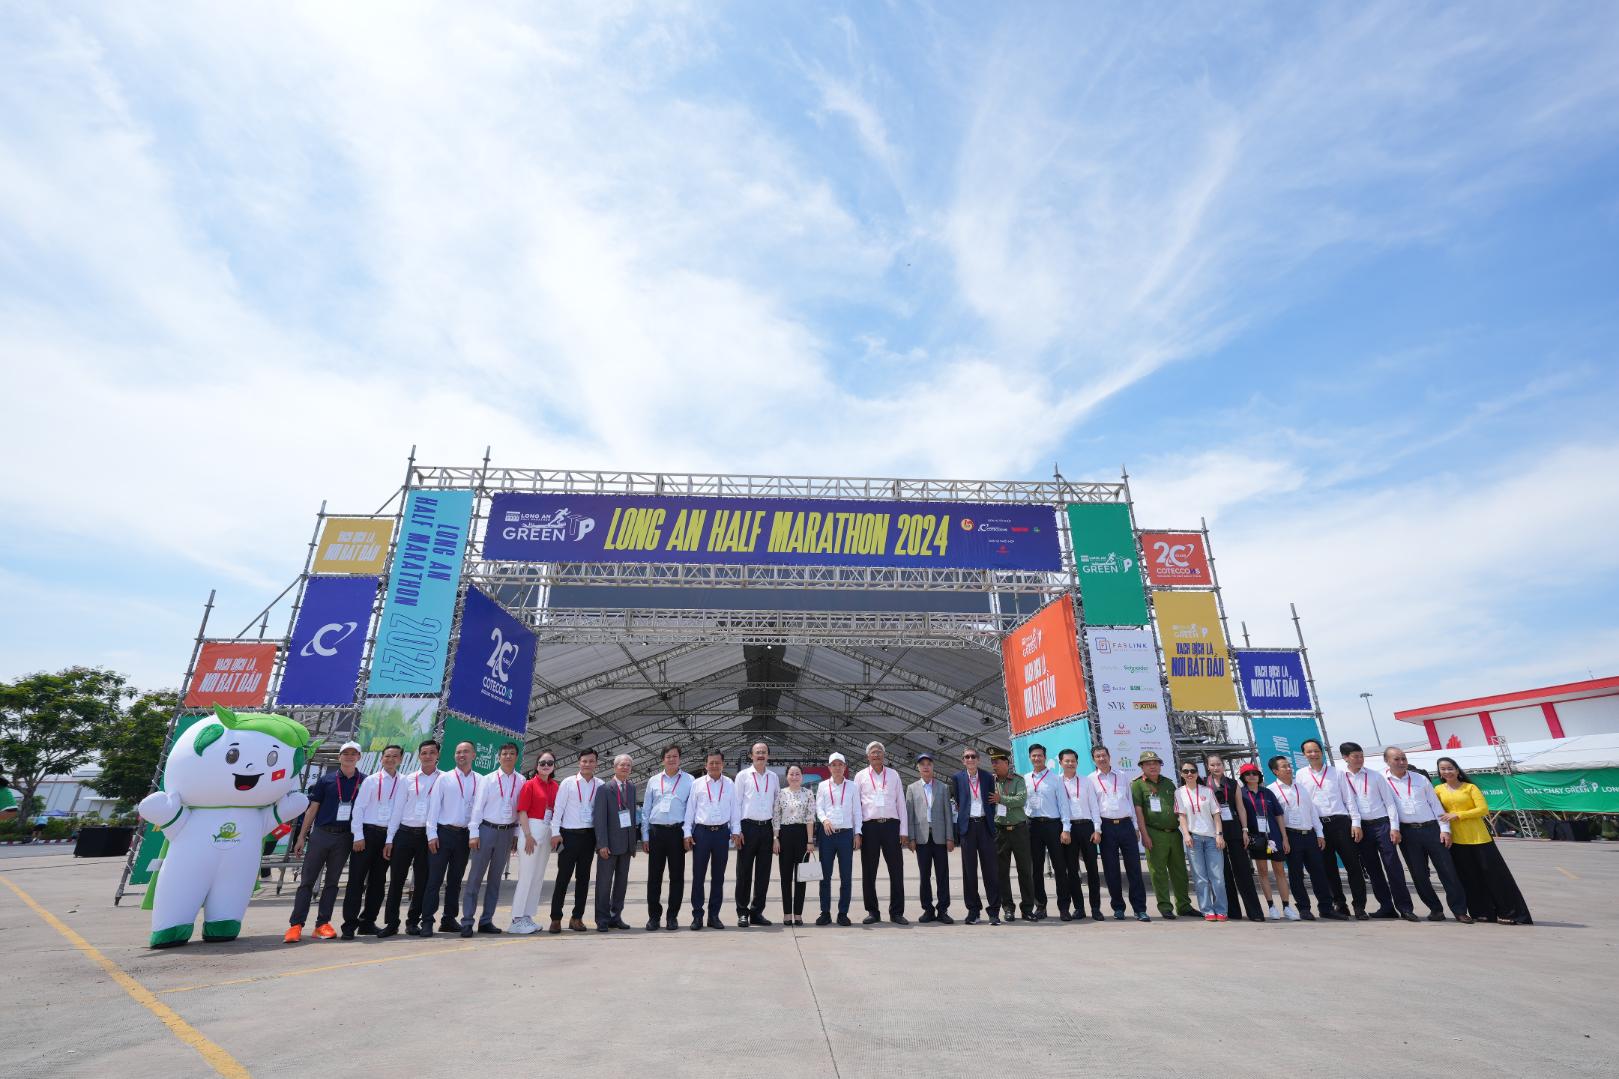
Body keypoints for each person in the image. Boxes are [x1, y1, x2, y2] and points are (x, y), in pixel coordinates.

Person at [285, 740, 366, 943]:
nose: (349, 756)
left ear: (359, 757)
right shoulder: (326, 780)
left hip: (345, 836)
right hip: (321, 834)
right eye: (345, 753)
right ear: (339, 757)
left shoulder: (365, 781)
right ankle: (296, 925)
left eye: (353, 753)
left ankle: (322, 924)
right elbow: (312, 809)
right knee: (307, 881)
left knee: (332, 882)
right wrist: (302, 836)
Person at [1435, 757, 1532, 925]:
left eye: (1450, 768)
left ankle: (1509, 913)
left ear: (1457, 770)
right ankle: (1482, 912)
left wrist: (1458, 815)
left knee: (1496, 878)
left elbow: (1483, 809)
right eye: (1443, 769)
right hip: (1457, 841)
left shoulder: (1470, 787)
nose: (1447, 772)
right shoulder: (1437, 790)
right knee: (1470, 879)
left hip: (1479, 838)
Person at [1383, 747, 1470, 923]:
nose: (1401, 762)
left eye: (1403, 758)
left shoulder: (1420, 778)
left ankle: (1459, 910)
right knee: (1419, 874)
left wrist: (1445, 829)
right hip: (1407, 832)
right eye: (1396, 759)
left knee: (1448, 871)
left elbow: (1435, 805)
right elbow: (1389, 807)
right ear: (1387, 761)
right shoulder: (1382, 780)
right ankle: (1435, 909)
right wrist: (1395, 828)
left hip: (1431, 829)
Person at [1339, 741, 1418, 922]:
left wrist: (1394, 827)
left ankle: (1405, 907)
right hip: (1360, 828)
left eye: (1361, 756)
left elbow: (1389, 802)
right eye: (1355, 756)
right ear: (1345, 758)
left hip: (1382, 825)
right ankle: (1386, 906)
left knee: (1393, 867)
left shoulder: (1376, 776)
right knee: (1373, 869)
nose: (1359, 759)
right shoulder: (1341, 778)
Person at [1268, 756, 1343, 921]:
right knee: (1296, 874)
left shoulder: (1301, 787)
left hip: (1309, 835)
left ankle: (1326, 908)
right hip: (1291, 836)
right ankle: (1304, 908)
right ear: (1275, 771)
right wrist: (1284, 839)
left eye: (1289, 765)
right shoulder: (1271, 790)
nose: (1288, 769)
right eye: (1283, 767)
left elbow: (1312, 811)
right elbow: (1274, 818)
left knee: (1319, 873)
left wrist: (1319, 833)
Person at [459, 742, 522, 937]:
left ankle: (486, 920)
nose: (508, 757)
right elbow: (477, 808)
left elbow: (520, 810)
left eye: (512, 753)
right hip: (486, 830)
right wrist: (474, 834)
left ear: (516, 757)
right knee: (475, 878)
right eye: (504, 754)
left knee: (495, 880)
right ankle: (467, 921)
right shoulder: (488, 780)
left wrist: (516, 835)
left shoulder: (521, 780)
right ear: (499, 757)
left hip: (507, 832)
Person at [341, 743, 403, 939]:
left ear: (400, 759)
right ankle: (349, 924)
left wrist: (390, 840)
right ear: (381, 759)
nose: (390, 759)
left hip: (387, 837)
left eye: (394, 756)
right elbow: (358, 808)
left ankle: (367, 921)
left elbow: (398, 813)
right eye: (387, 756)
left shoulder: (403, 782)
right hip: (366, 835)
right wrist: (358, 835)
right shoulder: (371, 781)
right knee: (356, 881)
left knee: (378, 881)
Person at [381, 739, 440, 938]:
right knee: (397, 880)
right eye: (424, 753)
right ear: (419, 756)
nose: (428, 756)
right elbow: (397, 810)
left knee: (422, 881)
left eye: (432, 752)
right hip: (405, 834)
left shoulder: (444, 779)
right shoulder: (408, 779)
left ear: (438, 755)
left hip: (427, 836)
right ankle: (391, 923)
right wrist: (390, 838)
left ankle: (413, 921)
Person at [1299, 738, 1362, 918]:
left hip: (1341, 823)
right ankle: (1340, 904)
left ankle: (1359, 905)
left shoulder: (1337, 773)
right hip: (1319, 826)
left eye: (1316, 750)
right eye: (1309, 751)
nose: (1313, 754)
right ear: (1304, 754)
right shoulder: (1301, 775)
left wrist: (1355, 823)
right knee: (1328, 868)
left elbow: (1349, 799)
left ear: (1322, 751)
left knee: (1353, 866)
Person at [420, 741, 478, 936]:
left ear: (474, 755)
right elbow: (433, 808)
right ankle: (427, 921)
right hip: (443, 834)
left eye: (466, 752)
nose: (461, 755)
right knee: (434, 880)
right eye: (458, 751)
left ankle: (448, 919)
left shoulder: (480, 780)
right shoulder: (444, 779)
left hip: (464, 837)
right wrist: (431, 835)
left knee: (455, 880)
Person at [684, 749, 742, 930]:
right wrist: (687, 832)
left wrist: (736, 830)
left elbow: (735, 809)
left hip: (722, 834)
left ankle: (714, 916)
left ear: (723, 765)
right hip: (701, 833)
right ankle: (697, 916)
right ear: (705, 765)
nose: (714, 765)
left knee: (718, 877)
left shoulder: (730, 784)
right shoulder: (697, 784)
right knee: (698, 876)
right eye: (711, 763)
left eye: (718, 762)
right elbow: (690, 810)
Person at [1091, 745, 1148, 921]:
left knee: (1134, 869)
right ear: (1094, 760)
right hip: (1106, 827)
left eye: (1104, 755)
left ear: (1110, 756)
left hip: (1125, 826)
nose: (1102, 759)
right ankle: (1118, 907)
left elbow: (1130, 803)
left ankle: (1140, 909)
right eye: (1098, 756)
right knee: (1111, 870)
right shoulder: (1091, 780)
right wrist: (1097, 829)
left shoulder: (1122, 776)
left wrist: (1135, 827)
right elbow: (1093, 807)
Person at [1134, 751, 1193, 919]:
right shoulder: (1137, 785)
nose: (1152, 766)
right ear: (1142, 767)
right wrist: (1145, 835)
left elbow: (1179, 808)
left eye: (1155, 763)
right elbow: (1138, 812)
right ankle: (1165, 906)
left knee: (1180, 871)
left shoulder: (1168, 783)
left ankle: (1184, 905)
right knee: (1158, 872)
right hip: (1154, 832)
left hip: (1174, 833)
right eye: (1148, 763)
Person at [855, 741, 909, 925]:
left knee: (896, 870)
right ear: (867, 756)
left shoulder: (893, 775)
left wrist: (904, 830)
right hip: (869, 827)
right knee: (869, 871)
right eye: (873, 752)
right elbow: (856, 806)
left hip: (891, 826)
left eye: (879, 752)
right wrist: (857, 832)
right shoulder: (860, 776)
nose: (876, 754)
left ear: (884, 755)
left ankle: (897, 912)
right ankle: (872, 911)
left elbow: (901, 802)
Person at [547, 748, 601, 934]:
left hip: (589, 837)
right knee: (563, 878)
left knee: (583, 879)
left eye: (591, 761)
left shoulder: (600, 785)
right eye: (584, 761)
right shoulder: (568, 783)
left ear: (596, 764)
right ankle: (555, 918)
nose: (587, 764)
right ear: (579, 762)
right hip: (568, 836)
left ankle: (577, 918)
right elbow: (558, 808)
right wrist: (555, 832)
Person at [1206, 753, 1264, 923]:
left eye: (1218, 764)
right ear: (1208, 767)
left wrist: (1245, 830)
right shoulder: (1204, 783)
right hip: (1214, 831)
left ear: (1223, 766)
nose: (1216, 767)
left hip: (1234, 829)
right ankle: (1232, 911)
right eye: (1212, 765)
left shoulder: (1232, 784)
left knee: (1243, 870)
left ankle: (1255, 912)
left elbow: (1240, 807)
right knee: (1223, 873)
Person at [640, 744, 690, 931]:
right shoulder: (653, 780)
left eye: (675, 756)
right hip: (656, 832)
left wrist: (687, 834)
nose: (672, 759)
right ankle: (654, 917)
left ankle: (672, 917)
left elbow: (691, 810)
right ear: (663, 759)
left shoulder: (689, 780)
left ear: (680, 758)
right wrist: (645, 836)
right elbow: (645, 810)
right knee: (654, 877)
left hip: (677, 833)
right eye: (668, 756)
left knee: (677, 877)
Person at [508, 750, 558, 935]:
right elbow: (522, 811)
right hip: (531, 829)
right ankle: (517, 918)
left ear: (554, 766)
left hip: (547, 829)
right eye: (542, 763)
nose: (546, 766)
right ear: (537, 765)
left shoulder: (555, 786)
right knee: (527, 875)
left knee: (538, 876)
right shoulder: (529, 785)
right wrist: (527, 835)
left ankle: (528, 915)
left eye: (550, 763)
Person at [950, 748, 1001, 924]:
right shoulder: (957, 778)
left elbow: (991, 801)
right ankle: (973, 910)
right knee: (969, 871)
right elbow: (958, 801)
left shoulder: (987, 777)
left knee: (991, 871)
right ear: (963, 761)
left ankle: (994, 912)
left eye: (973, 756)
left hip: (985, 826)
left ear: (978, 760)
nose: (970, 759)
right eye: (967, 757)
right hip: (968, 827)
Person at [1022, 743, 1072, 921]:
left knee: (1060, 867)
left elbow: (1063, 804)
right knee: (1036, 869)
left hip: (1053, 826)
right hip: (1033, 826)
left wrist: (1066, 828)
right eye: (1034, 756)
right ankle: (1040, 906)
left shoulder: (1056, 779)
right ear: (1030, 758)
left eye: (1040, 755)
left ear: (1045, 757)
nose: (1037, 758)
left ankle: (1064, 907)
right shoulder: (1025, 779)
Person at [905, 752, 956, 924]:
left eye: (928, 763)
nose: (926, 766)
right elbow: (910, 815)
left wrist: (950, 837)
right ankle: (927, 909)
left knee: (942, 875)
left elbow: (948, 814)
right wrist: (911, 838)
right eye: (922, 764)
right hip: (921, 839)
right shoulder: (911, 788)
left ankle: (943, 909)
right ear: (918, 768)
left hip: (940, 837)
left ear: (933, 767)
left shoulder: (943, 788)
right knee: (924, 875)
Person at [1237, 763, 1292, 919]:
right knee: (1262, 872)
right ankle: (1271, 906)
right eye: (1248, 774)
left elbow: (1278, 815)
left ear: (1259, 775)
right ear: (1243, 777)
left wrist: (1285, 837)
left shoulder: (1267, 793)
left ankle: (1287, 907)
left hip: (1274, 837)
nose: (1252, 776)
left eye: (1255, 773)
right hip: (1257, 838)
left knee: (1280, 871)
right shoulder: (1241, 794)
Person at [734, 742, 779, 927]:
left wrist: (776, 835)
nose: (761, 755)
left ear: (768, 755)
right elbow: (735, 804)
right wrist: (737, 830)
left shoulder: (774, 777)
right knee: (744, 872)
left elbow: (776, 806)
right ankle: (742, 912)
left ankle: (757, 912)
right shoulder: (743, 776)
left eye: (764, 752)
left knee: (763, 873)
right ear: (751, 756)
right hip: (747, 828)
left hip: (766, 828)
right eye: (757, 752)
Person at [815, 752, 863, 925]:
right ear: (829, 768)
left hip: (845, 835)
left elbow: (857, 810)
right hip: (827, 835)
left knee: (846, 876)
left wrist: (857, 833)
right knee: (825, 876)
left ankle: (843, 913)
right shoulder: (822, 786)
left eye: (840, 764)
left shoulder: (852, 787)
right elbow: (818, 807)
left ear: (844, 767)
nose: (837, 767)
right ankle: (825, 912)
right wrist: (824, 820)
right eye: (833, 765)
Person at [593, 753, 638, 931]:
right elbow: (599, 819)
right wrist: (601, 844)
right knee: (604, 883)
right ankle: (602, 919)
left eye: (628, 765)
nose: (625, 768)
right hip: (609, 845)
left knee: (621, 883)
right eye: (622, 765)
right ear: (615, 767)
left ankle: (615, 916)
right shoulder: (605, 789)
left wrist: (633, 843)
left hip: (626, 845)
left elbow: (632, 816)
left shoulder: (632, 788)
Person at [1176, 762, 1226, 921]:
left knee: (1217, 877)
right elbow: (1181, 816)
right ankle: (1207, 910)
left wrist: (1219, 834)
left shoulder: (1207, 791)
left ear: (1197, 773)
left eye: (1192, 771)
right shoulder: (1179, 792)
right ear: (1182, 774)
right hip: (1194, 839)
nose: (1189, 774)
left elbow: (1216, 814)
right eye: (1186, 771)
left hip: (1212, 839)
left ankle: (1221, 909)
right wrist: (1186, 834)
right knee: (1200, 877)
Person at [1057, 748, 1103, 921]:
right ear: (1060, 762)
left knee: (1092, 869)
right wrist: (1064, 829)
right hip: (1068, 830)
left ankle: (1096, 908)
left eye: (1073, 760)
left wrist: (1097, 829)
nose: (1070, 763)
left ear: (1077, 762)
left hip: (1087, 828)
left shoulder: (1086, 781)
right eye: (1066, 761)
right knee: (1072, 871)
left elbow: (1094, 806)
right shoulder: (1057, 782)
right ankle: (1079, 908)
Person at [990, 750, 1033, 922]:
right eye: (992, 762)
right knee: (1002, 872)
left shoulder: (1018, 780)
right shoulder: (990, 782)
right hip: (1000, 831)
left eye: (998, 761)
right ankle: (1008, 908)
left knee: (1025, 870)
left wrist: (1001, 799)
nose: (994, 764)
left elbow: (1021, 800)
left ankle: (1028, 909)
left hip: (1019, 830)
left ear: (1006, 763)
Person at [773, 765, 817, 925]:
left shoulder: (808, 794)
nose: (794, 776)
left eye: (797, 774)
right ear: (787, 776)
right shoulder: (781, 794)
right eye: (791, 774)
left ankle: (798, 913)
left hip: (802, 835)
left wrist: (810, 841)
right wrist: (776, 838)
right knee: (785, 877)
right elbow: (776, 817)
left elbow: (810, 818)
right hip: (784, 835)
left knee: (801, 877)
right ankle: (787, 913)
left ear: (802, 777)